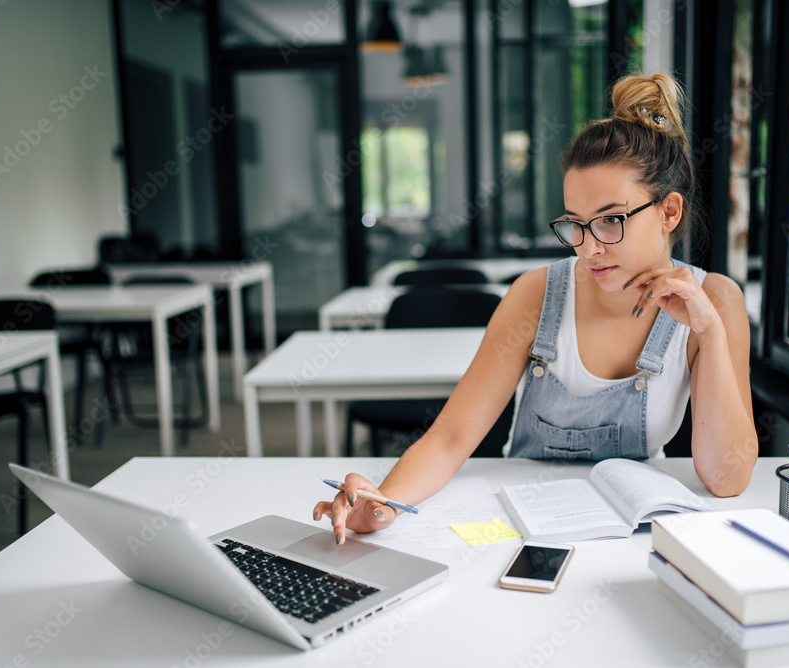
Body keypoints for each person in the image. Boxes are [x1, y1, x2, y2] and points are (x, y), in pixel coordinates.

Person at [314, 72, 758, 545]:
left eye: (610, 221)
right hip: (523, 529)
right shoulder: (536, 294)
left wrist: (709, 333)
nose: (588, 249)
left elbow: (726, 480)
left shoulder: (719, 302)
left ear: (669, 212)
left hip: (635, 535)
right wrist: (384, 501)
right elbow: (449, 439)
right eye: (575, 225)